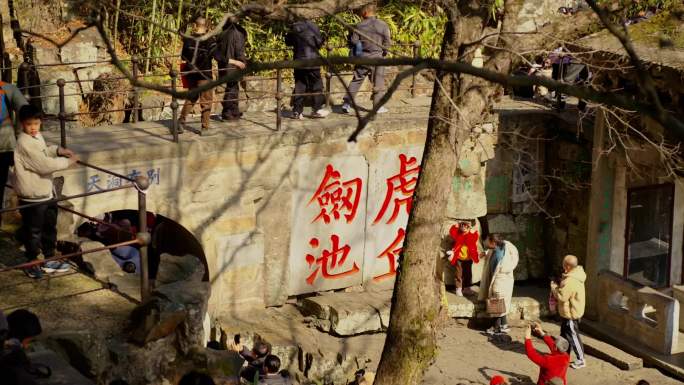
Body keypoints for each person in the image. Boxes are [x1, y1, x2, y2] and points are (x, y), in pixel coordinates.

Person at [12, 105, 79, 279]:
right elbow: (43, 165)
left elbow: (43, 152)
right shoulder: (23, 142)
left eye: (36, 123)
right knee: (33, 231)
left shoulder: (36, 137)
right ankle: (32, 261)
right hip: (32, 195)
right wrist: (68, 162)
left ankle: (49, 258)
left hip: (46, 192)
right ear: (21, 124)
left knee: (50, 226)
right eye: (29, 124)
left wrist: (57, 150)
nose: (33, 128)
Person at [341, 3, 391, 114]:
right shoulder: (383, 25)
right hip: (378, 57)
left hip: (363, 57)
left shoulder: (360, 25)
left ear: (365, 12)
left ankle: (347, 103)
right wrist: (384, 52)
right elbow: (387, 42)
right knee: (378, 82)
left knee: (357, 80)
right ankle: (377, 107)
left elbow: (354, 41)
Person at [285, 17, 329, 119]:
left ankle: (297, 111)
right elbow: (318, 43)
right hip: (312, 60)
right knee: (317, 85)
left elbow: (288, 42)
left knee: (300, 85)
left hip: (298, 61)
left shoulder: (294, 27)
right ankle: (316, 109)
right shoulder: (313, 26)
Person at [179, 17, 216, 133]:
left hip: (191, 73)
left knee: (191, 98)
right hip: (205, 75)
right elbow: (216, 55)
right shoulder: (209, 40)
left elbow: (183, 56)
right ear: (206, 26)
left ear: (195, 25)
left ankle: (180, 122)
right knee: (206, 101)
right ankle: (205, 128)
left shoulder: (188, 39)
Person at [551, 254, 587, 369]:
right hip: (568, 313)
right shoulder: (576, 275)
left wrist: (554, 287)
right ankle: (563, 356)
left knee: (573, 337)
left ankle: (581, 360)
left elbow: (562, 296)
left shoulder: (571, 280)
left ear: (567, 266)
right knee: (564, 336)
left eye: (563, 265)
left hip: (571, 314)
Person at [478, 233, 519, 334]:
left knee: (496, 303)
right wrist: (486, 253)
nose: (485, 242)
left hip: (500, 281)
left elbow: (496, 258)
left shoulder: (499, 257)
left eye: (487, 240)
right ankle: (504, 325)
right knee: (503, 303)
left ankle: (496, 328)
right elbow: (493, 251)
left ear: (493, 242)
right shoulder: (502, 247)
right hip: (505, 281)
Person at [0, 80, 28, 225]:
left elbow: (24, 110)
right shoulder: (6, 87)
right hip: (4, 146)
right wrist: (19, 135)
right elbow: (25, 110)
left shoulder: (6, 88)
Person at [214, 18, 247, 121]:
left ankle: (234, 111)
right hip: (234, 65)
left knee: (232, 88)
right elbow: (239, 50)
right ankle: (228, 112)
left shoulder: (222, 33)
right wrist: (242, 62)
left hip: (224, 64)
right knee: (232, 89)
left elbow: (218, 51)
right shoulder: (238, 33)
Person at [447, 220, 480, 297]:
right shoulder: (458, 234)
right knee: (458, 274)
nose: (464, 227)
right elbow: (452, 232)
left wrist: (472, 231)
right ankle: (458, 288)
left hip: (468, 259)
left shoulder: (471, 235)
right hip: (459, 258)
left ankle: (467, 288)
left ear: (469, 228)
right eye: (462, 226)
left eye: (466, 226)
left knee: (468, 274)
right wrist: (456, 225)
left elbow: (476, 236)